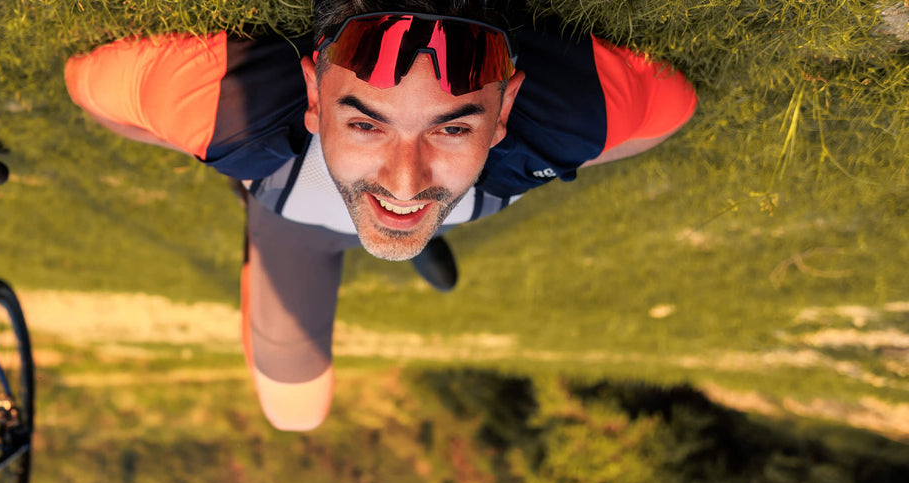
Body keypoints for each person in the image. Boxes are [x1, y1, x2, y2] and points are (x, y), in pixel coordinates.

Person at [64, 0, 697, 430]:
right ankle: (412, 235)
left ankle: (419, 235)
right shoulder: (230, 106)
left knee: (412, 213)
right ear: (313, 95)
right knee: (296, 414)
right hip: (293, 226)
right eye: (366, 122)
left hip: (320, 198)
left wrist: (548, 157)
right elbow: (93, 94)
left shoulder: (560, 119)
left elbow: (668, 115)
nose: (404, 179)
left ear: (505, 112)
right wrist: (201, 139)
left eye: (453, 129)